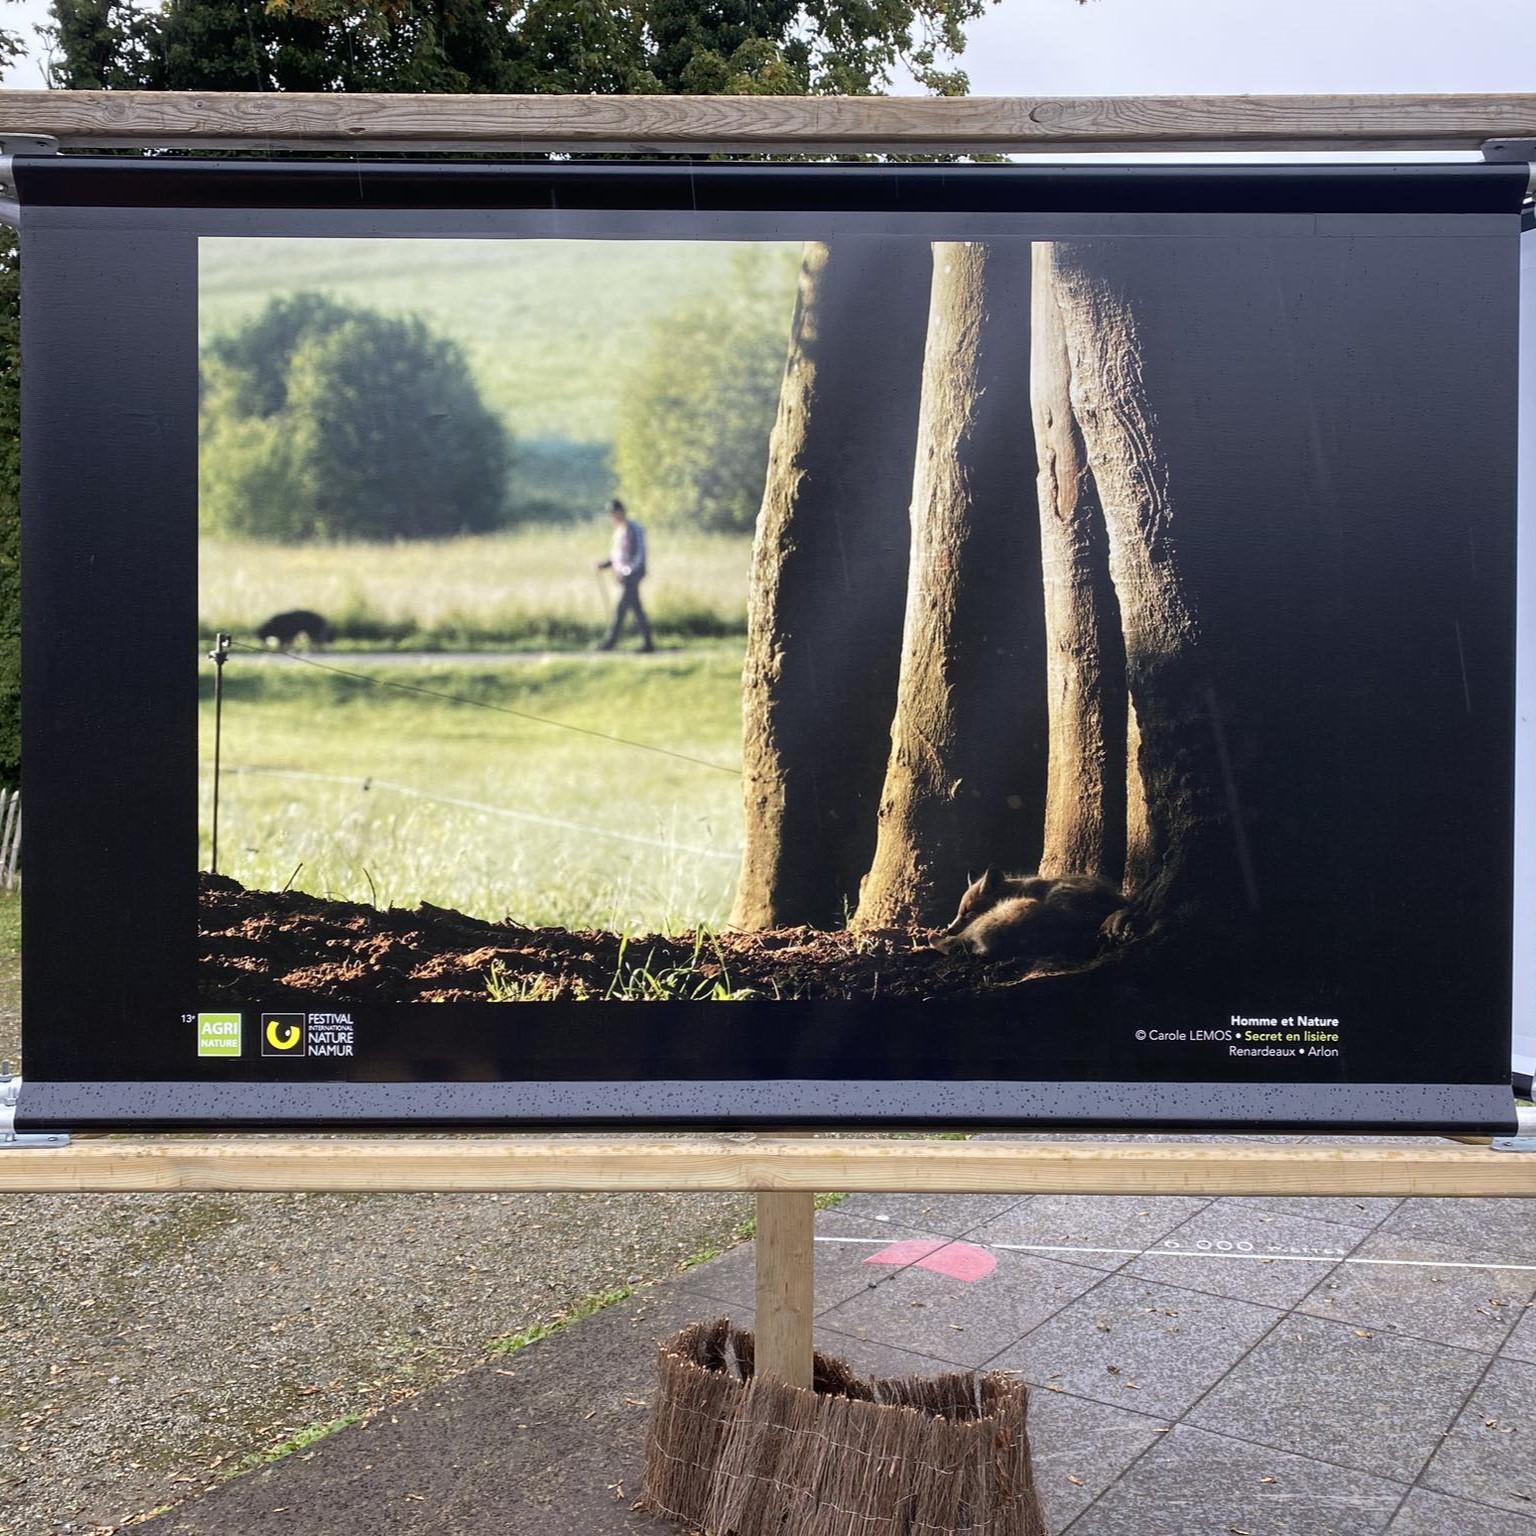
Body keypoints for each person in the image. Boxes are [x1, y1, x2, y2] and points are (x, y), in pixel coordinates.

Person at [595, 498, 655, 653]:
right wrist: (606, 564)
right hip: (625, 575)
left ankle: (610, 642)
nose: (612, 517)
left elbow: (639, 554)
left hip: (632, 575)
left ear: (620, 512)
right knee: (636, 608)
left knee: (622, 609)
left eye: (613, 514)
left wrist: (628, 572)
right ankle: (648, 643)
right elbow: (618, 556)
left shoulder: (633, 529)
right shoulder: (619, 531)